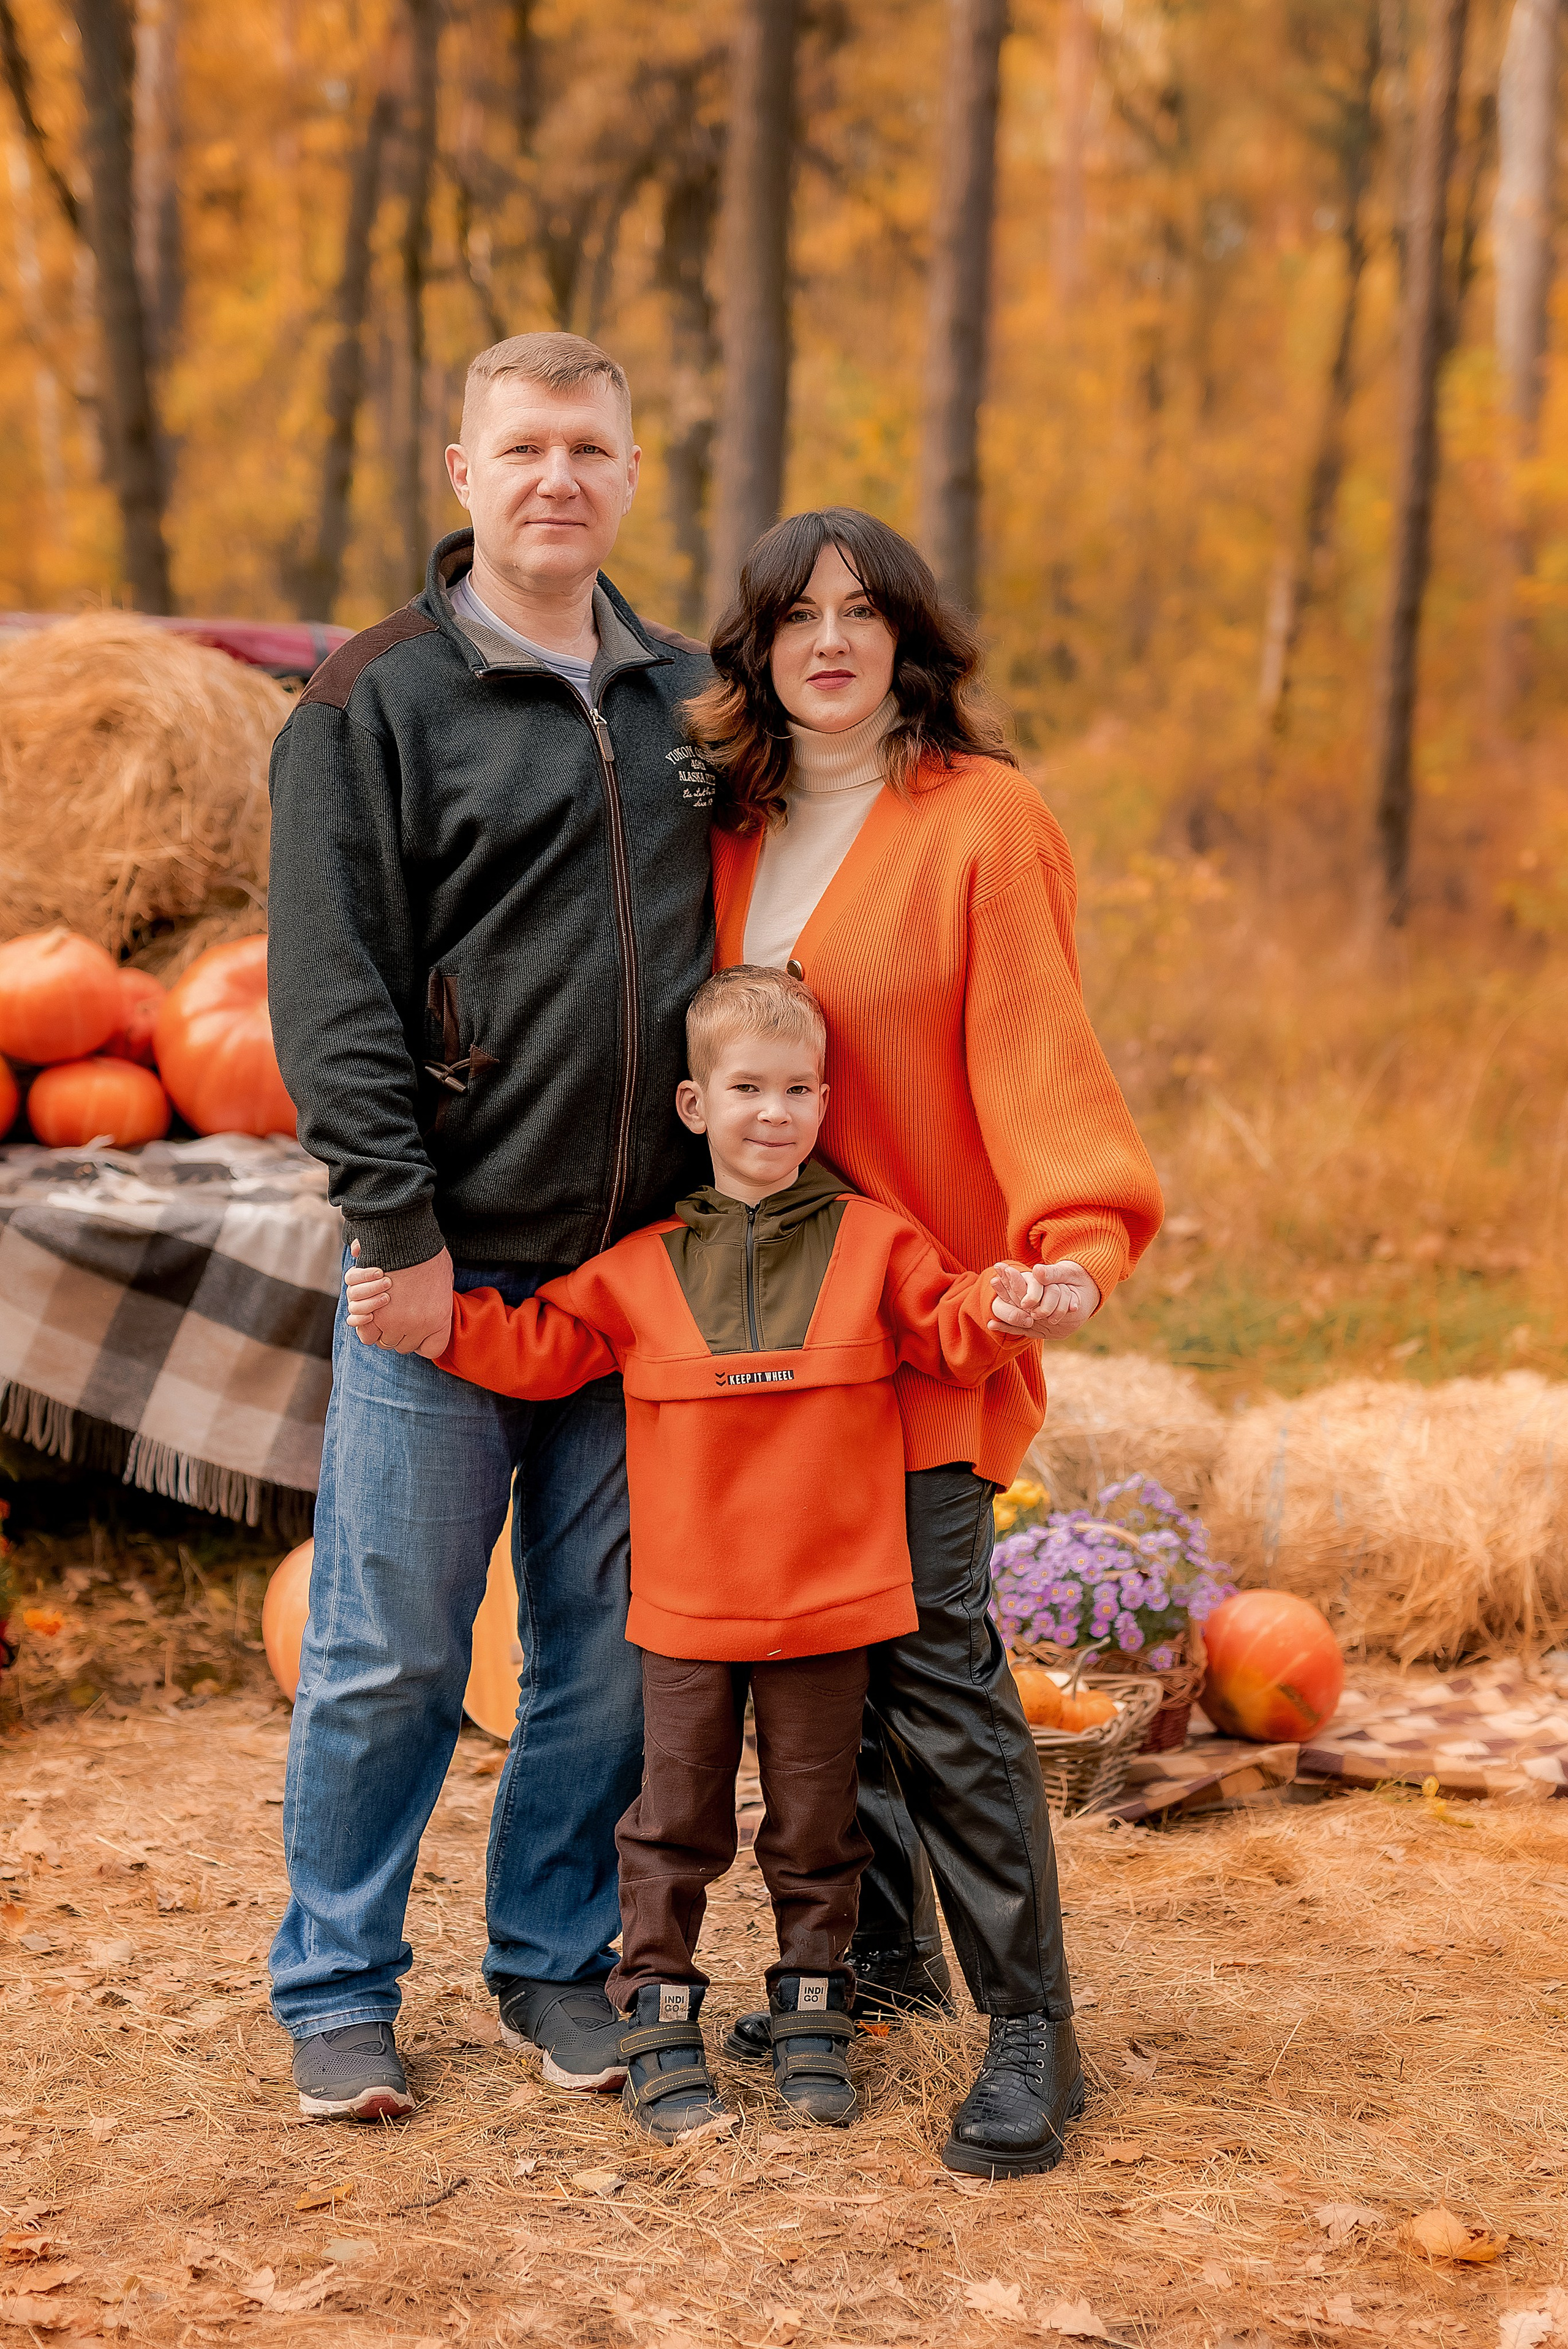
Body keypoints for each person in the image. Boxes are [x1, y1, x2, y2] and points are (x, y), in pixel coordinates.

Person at [343, 965, 1041, 2146]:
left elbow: (949, 1324)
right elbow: (545, 1344)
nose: (777, 1113)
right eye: (750, 1088)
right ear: (693, 1106)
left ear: (828, 1104)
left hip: (830, 1605)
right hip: (690, 1611)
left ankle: (813, 2012)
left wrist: (1013, 1304)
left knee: (819, 1830)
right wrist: (433, 1321)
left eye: (802, 1090)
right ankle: (659, 2013)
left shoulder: (876, 1244)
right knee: (672, 1824)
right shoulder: (641, 1265)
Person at [265, 331, 715, 2121]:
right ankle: (337, 1985)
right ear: (459, 469)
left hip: (636, 1281)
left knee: (606, 1648)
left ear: (626, 473)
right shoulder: (370, 698)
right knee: (391, 1645)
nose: (558, 479)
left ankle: (551, 1960)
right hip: (444, 1265)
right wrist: (396, 1232)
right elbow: (330, 993)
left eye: (590, 449)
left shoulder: (693, 698)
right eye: (523, 446)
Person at [685, 507, 1164, 2177]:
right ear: (756, 646)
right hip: (766, 1320)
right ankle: (879, 1964)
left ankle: (1033, 2024)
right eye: (798, 615)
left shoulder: (981, 823)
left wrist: (1074, 1247)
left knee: (941, 1670)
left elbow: (1037, 1044)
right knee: (833, 1662)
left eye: (864, 612)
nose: (832, 640)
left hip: (927, 1310)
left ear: (910, 639)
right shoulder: (728, 830)